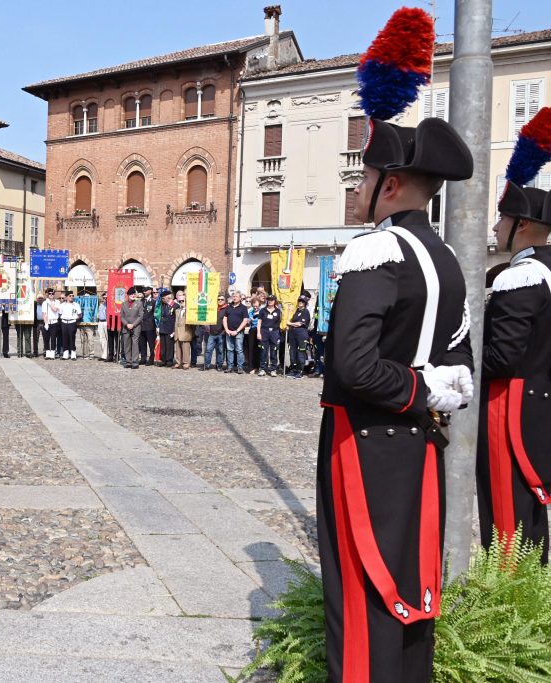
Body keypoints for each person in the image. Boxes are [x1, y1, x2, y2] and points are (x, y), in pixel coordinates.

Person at [317, 10, 475, 679]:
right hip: (420, 447)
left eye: (363, 178)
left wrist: (415, 387)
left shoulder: (375, 251)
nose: (356, 190)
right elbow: (462, 368)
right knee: (409, 593)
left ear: (391, 185)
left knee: (360, 600)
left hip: (364, 444)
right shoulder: (446, 258)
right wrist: (431, 390)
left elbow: (354, 366)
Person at [477, 109, 551, 565]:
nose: (495, 228)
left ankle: (507, 599)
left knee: (507, 516)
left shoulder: (519, 276)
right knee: (531, 517)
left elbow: (502, 356)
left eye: (500, 220)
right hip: (539, 401)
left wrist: (461, 367)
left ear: (521, 224)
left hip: (511, 406)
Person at [222, 292, 248, 373]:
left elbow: (245, 320)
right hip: (229, 332)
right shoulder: (228, 307)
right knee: (229, 350)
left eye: (236, 296)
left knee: (239, 350)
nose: (234, 297)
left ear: (240, 298)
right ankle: (230, 367)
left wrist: (237, 331)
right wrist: (227, 330)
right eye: (233, 296)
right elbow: (224, 319)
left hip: (239, 333)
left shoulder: (243, 308)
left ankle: (240, 367)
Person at [287, 295, 311, 379]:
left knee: (301, 353)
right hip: (293, 334)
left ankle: (300, 371)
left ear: (305, 303)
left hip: (301, 334)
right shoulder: (296, 311)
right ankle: (294, 369)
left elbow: (299, 323)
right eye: (299, 301)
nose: (300, 302)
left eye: (302, 301)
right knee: (292, 352)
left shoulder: (305, 312)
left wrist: (290, 323)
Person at [257, 294, 282, 377]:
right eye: (269, 300)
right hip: (264, 331)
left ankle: (273, 369)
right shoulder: (262, 310)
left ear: (275, 301)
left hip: (274, 332)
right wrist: (258, 333)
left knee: (274, 351)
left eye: (272, 300)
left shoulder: (278, 311)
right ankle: (262, 368)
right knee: (263, 351)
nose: (270, 301)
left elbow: (281, 322)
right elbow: (259, 322)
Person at [120, 286, 143, 369]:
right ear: (128, 295)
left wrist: (133, 324)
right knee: (126, 344)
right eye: (131, 294)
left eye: (134, 294)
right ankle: (128, 361)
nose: (133, 295)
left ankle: (135, 362)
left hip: (136, 326)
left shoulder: (139, 303)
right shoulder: (123, 304)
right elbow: (121, 316)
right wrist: (127, 324)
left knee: (135, 343)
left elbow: (140, 316)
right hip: (126, 327)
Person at [172, 289, 194, 369]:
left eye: (182, 301)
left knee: (185, 349)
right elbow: (176, 322)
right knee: (178, 349)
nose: (181, 302)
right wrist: (174, 331)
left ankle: (186, 363)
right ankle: (178, 362)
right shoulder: (177, 310)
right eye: (179, 301)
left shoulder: (189, 310)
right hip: (177, 332)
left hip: (186, 332)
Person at [59, 290, 80, 360]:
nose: (71, 297)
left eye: (72, 296)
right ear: (66, 297)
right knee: (64, 338)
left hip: (72, 322)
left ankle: (73, 353)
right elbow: (60, 314)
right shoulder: (62, 305)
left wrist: (74, 318)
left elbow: (80, 315)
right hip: (64, 322)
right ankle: (65, 354)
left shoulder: (76, 305)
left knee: (72, 338)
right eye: (70, 296)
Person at [158, 291, 176, 367]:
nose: (162, 300)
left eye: (163, 298)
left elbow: (176, 319)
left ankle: (169, 360)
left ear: (168, 297)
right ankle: (163, 360)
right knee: (163, 346)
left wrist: (174, 330)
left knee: (169, 346)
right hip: (162, 328)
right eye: (162, 298)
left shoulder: (175, 306)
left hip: (170, 329)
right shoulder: (162, 305)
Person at [95, 292, 108, 361]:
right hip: (100, 322)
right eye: (104, 297)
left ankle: (109, 354)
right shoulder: (101, 305)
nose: (105, 299)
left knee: (108, 339)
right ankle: (104, 355)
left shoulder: (110, 306)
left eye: (106, 297)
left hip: (106, 322)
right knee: (102, 339)